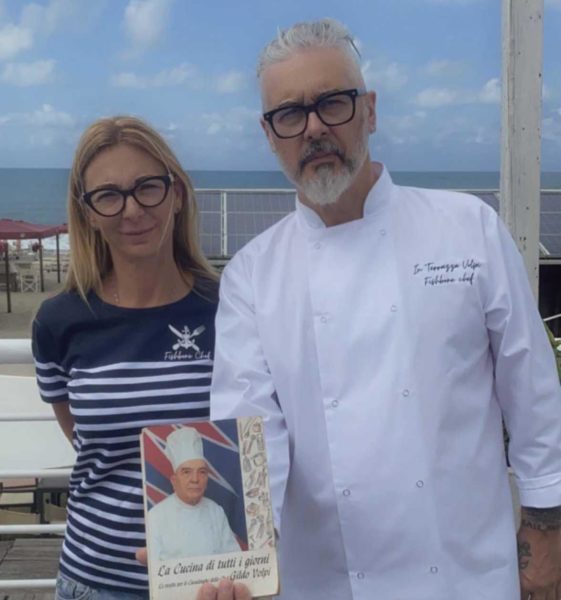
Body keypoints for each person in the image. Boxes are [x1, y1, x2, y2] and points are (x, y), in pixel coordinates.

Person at [210, 18, 561, 600]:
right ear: (270, 135)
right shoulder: (251, 273)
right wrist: (230, 558)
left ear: (369, 111)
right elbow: (247, 429)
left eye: (334, 103)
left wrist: (548, 528)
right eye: (291, 114)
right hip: (320, 581)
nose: (315, 127)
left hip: (465, 572)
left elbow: (531, 388)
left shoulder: (467, 227)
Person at [32, 116, 219, 599]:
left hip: (207, 583)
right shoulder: (58, 323)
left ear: (176, 194)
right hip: (95, 584)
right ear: (89, 212)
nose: (132, 209)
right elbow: (87, 444)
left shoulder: (231, 309)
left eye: (147, 187)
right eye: (109, 195)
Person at [148, 426, 240, 561]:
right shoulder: (155, 517)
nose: (195, 479)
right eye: (186, 472)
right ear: (174, 481)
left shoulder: (215, 511)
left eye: (202, 472)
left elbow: (234, 558)